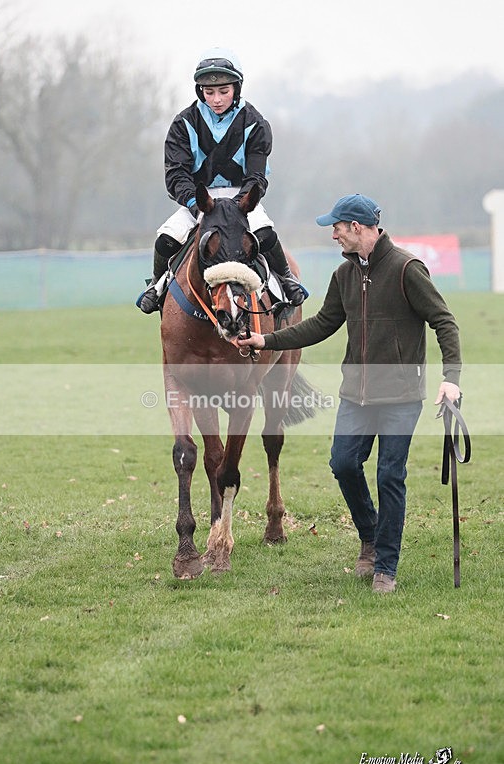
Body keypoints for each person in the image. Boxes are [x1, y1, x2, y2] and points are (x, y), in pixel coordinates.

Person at [237, 193, 462, 593]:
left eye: (337, 228)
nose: (333, 235)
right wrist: (265, 339)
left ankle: (385, 567)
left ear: (356, 227)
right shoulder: (344, 276)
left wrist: (451, 378)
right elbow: (321, 324)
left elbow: (444, 321)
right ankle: (370, 536)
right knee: (342, 464)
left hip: (400, 396)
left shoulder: (407, 268)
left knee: (390, 475)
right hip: (355, 396)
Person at [136, 46, 306, 314]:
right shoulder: (183, 123)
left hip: (242, 198)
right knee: (166, 239)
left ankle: (285, 279)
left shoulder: (255, 123)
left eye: (223, 91)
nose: (216, 99)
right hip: (201, 199)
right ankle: (157, 286)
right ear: (199, 91)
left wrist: (241, 204)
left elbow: (256, 176)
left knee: (264, 233)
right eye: (209, 92)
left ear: (236, 89)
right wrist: (196, 203)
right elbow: (176, 173)